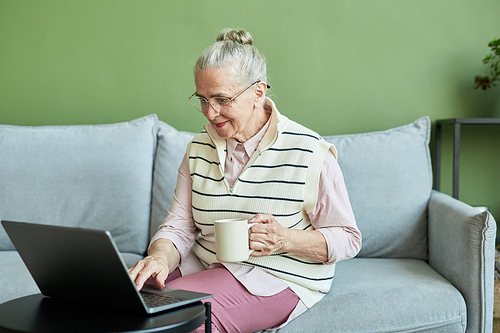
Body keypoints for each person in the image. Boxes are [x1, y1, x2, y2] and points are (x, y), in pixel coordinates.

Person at [129, 28, 361, 333]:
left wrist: (284, 239)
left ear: (258, 93)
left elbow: (348, 237)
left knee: (181, 322)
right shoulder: (198, 149)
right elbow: (179, 226)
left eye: (222, 99)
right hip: (209, 265)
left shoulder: (309, 151)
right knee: (123, 303)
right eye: (202, 99)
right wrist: (160, 256)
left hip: (279, 276)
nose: (210, 113)